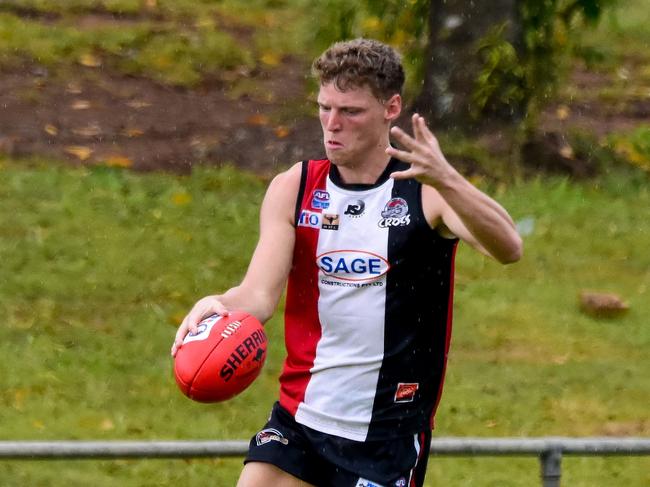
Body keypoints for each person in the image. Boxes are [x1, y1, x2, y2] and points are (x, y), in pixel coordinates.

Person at [172, 38, 522, 487]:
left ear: (391, 107)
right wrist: (218, 303)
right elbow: (257, 296)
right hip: (300, 418)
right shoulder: (294, 187)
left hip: (386, 435)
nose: (332, 124)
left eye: (350, 112)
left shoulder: (427, 193)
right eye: (324, 108)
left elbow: (509, 247)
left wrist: (449, 178)